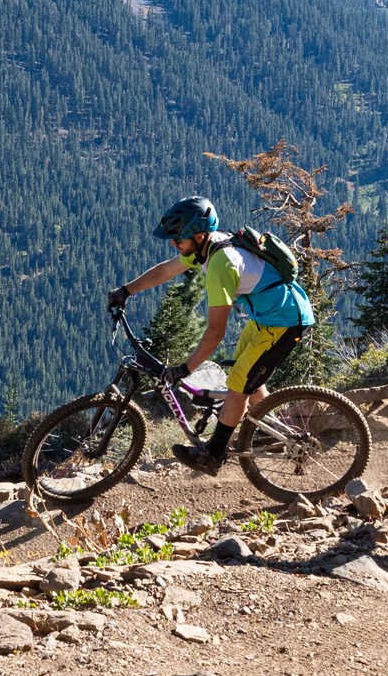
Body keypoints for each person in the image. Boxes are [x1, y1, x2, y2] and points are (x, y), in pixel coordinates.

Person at [107, 196, 315, 475]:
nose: (174, 243)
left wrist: (183, 369)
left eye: (178, 238)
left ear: (199, 235)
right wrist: (126, 290)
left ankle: (214, 455)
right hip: (267, 318)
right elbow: (168, 270)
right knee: (247, 376)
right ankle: (266, 432)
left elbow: (215, 333)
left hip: (286, 322)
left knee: (239, 383)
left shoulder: (220, 266)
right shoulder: (207, 246)